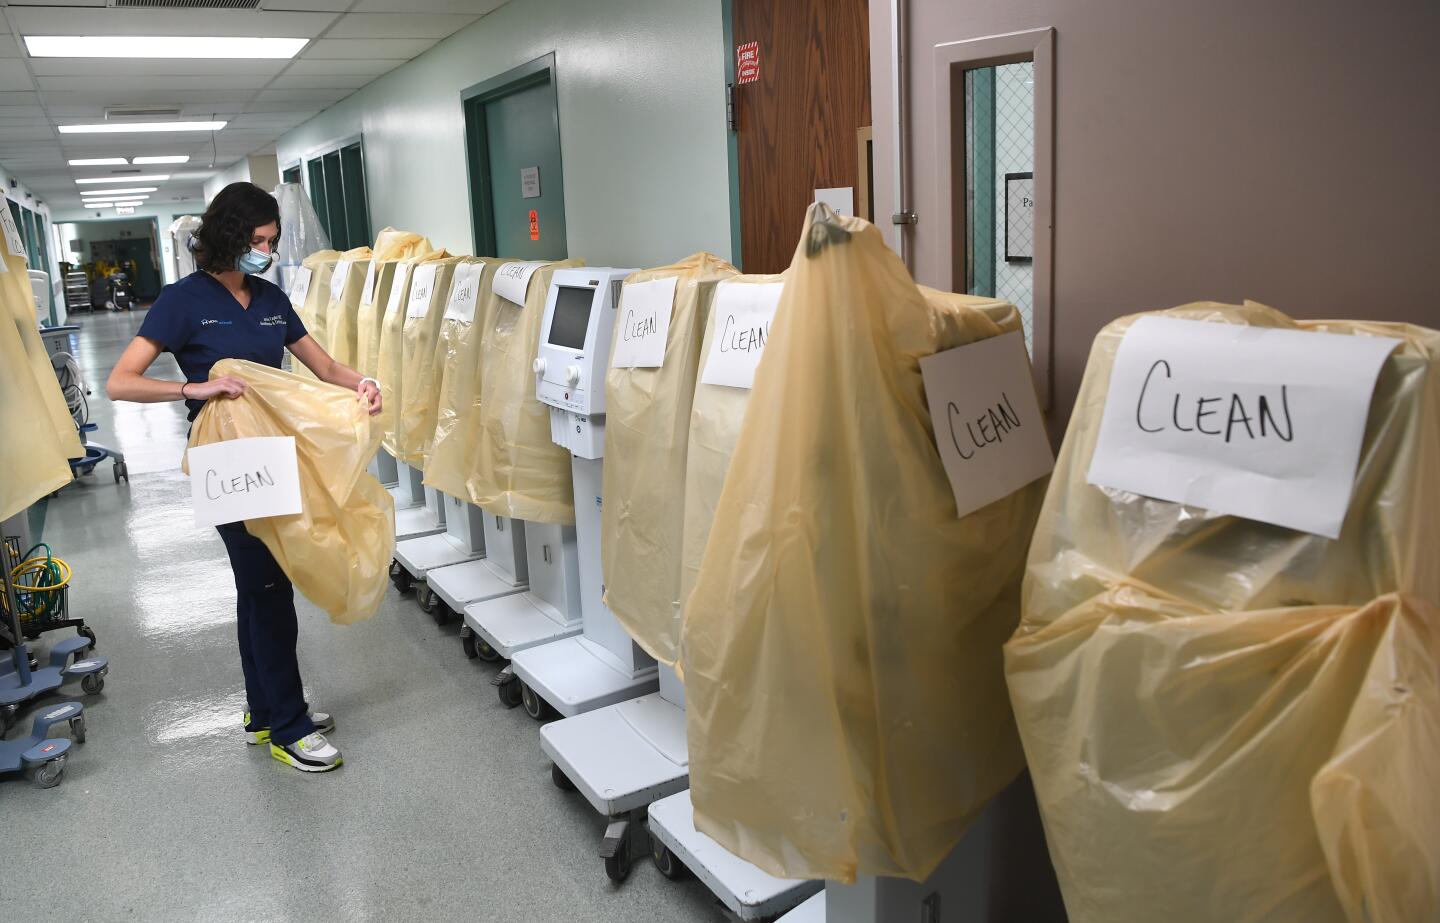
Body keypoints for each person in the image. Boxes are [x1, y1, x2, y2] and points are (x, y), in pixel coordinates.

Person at [107, 182, 380, 774]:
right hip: (225, 457)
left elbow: (324, 365)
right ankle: (289, 725)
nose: (268, 250)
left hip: (275, 452)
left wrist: (362, 383)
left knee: (257, 584)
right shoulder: (183, 301)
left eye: (273, 240)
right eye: (259, 240)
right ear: (229, 237)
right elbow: (121, 381)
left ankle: (265, 712)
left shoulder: (271, 298)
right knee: (267, 587)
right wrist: (194, 387)